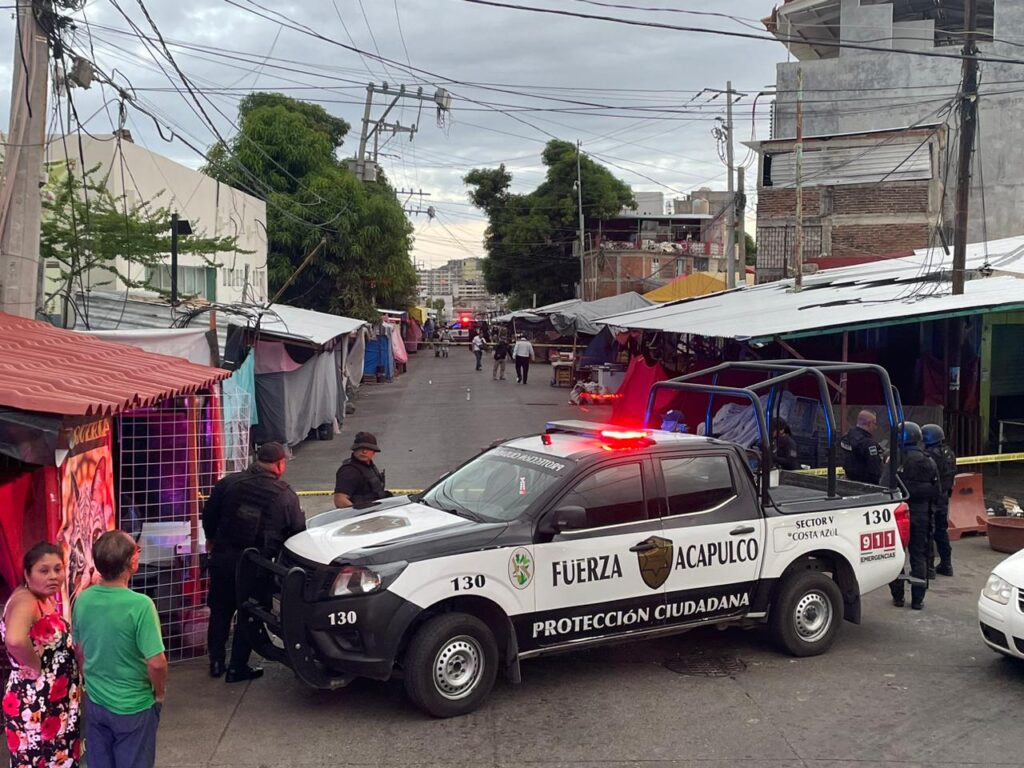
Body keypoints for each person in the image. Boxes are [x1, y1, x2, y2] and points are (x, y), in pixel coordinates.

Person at [202, 442, 305, 682]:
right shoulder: (284, 495)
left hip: (223, 559)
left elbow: (209, 514)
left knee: (220, 610)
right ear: (280, 464)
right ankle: (238, 667)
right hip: (257, 566)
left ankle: (216, 662)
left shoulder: (228, 483)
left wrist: (211, 539)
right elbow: (297, 532)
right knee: (249, 613)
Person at [73, 531, 165, 768]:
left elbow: (80, 649)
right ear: (132, 563)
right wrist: (159, 693)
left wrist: (90, 681)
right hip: (133, 705)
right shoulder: (141, 606)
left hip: (95, 700)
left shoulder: (83, 599)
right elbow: (156, 662)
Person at [2, 542, 82, 768]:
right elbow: (15, 640)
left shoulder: (39, 598)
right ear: (27, 574)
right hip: (37, 702)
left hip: (52, 701)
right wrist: (35, 666)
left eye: (58, 569)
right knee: (42, 760)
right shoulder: (25, 601)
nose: (53, 576)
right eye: (44, 570)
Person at [888, 422, 939, 611]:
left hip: (898, 514)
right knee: (919, 556)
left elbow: (884, 485)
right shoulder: (929, 461)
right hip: (922, 515)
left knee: (897, 555)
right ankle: (917, 599)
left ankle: (898, 596)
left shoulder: (895, 459)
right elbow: (937, 490)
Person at [922, 423, 957, 577]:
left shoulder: (929, 455)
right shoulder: (949, 453)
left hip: (932, 497)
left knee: (928, 531)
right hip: (944, 497)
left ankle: (928, 568)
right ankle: (946, 564)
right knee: (941, 532)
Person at [334, 432, 392, 508]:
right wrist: (360, 516)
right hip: (363, 516)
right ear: (354, 450)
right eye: (361, 448)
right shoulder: (349, 471)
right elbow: (340, 500)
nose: (364, 452)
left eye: (368, 449)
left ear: (374, 452)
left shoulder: (369, 466)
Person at [840, 409, 884, 484]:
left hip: (849, 481)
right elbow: (875, 471)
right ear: (869, 423)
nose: (875, 427)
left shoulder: (846, 437)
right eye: (875, 423)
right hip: (866, 485)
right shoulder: (868, 444)